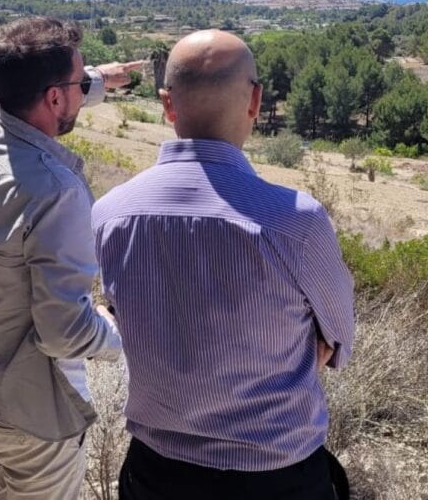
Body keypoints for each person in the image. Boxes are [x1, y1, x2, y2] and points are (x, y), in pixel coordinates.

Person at [92, 30, 356, 500]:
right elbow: (334, 338)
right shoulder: (297, 221)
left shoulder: (109, 214)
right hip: (277, 475)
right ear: (255, 100)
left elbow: (115, 312)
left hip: (155, 472)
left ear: (166, 105)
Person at [0, 16, 144, 499]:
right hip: (28, 417)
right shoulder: (56, 191)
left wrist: (94, 81)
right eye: (77, 82)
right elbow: (64, 332)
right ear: (54, 97)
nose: (83, 87)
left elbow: (39, 93)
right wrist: (118, 331)